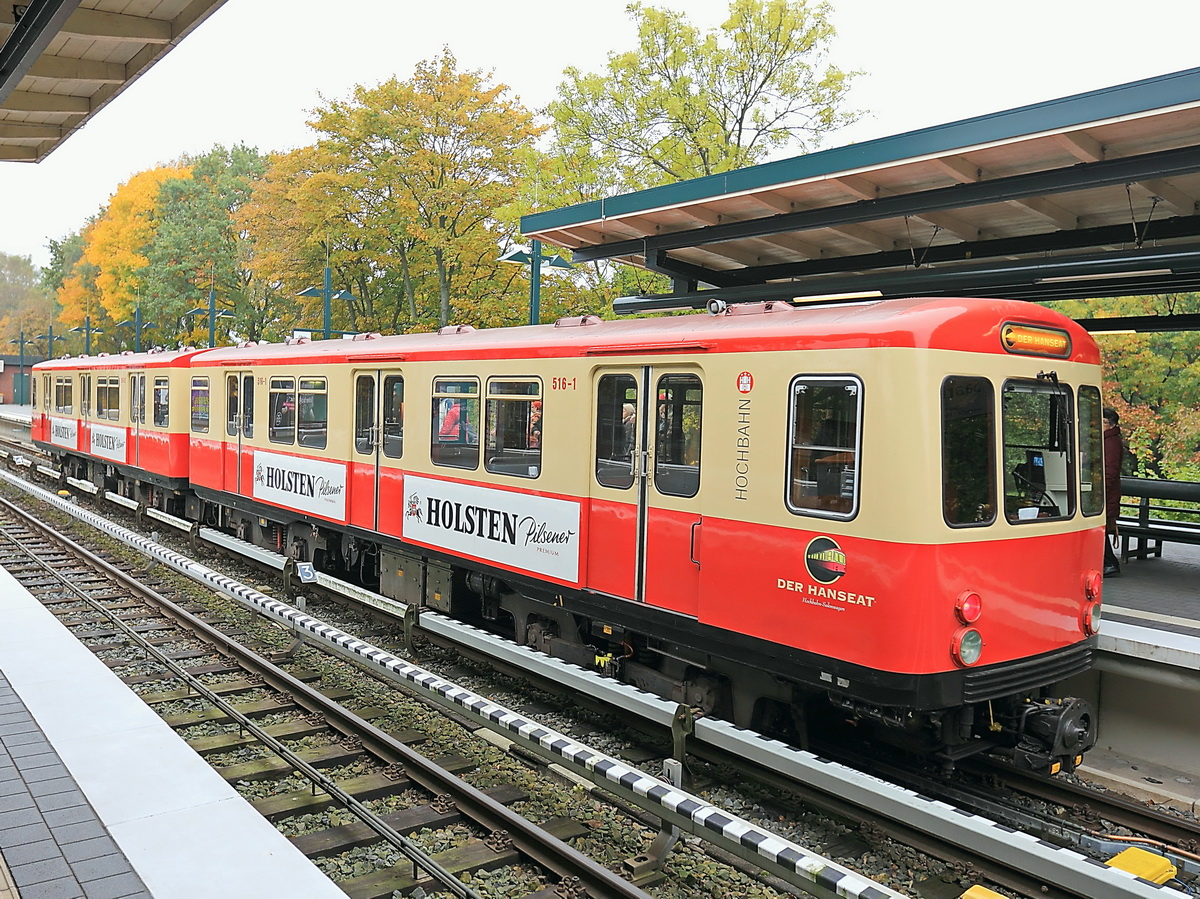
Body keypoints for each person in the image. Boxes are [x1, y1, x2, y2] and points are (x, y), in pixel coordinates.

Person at [1103, 407, 1125, 577]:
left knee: (1099, 531)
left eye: (1103, 422)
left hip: (1106, 494)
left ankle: (1110, 563)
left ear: (1110, 424)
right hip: (1108, 493)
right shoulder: (1110, 440)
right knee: (1100, 531)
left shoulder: (1110, 442)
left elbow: (1110, 471)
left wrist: (1101, 491)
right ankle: (1109, 562)